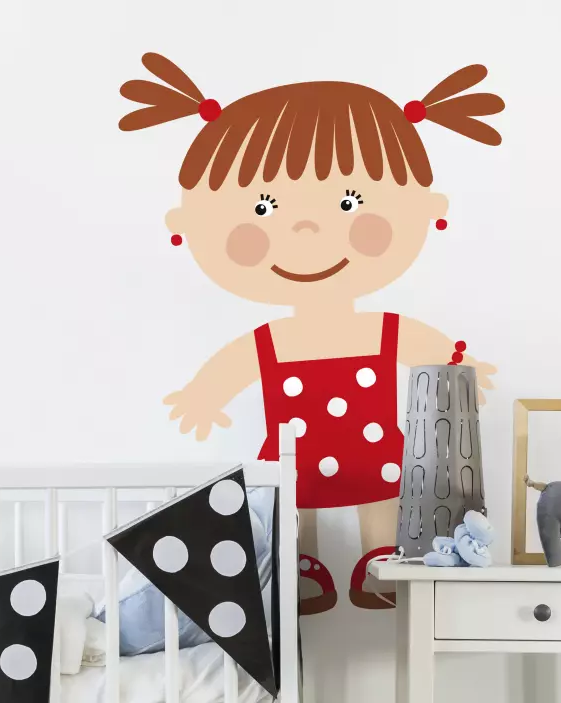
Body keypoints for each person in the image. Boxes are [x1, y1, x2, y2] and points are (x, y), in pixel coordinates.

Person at [119, 53, 504, 615]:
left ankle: (380, 557)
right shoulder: (274, 340)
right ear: (189, 226)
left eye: (350, 203)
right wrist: (203, 395)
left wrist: (459, 367)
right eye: (264, 208)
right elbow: (237, 363)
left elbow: (427, 349)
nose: (305, 228)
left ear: (428, 210)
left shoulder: (378, 330)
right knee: (292, 500)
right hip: (297, 449)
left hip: (371, 444)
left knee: (385, 488)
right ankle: (301, 564)